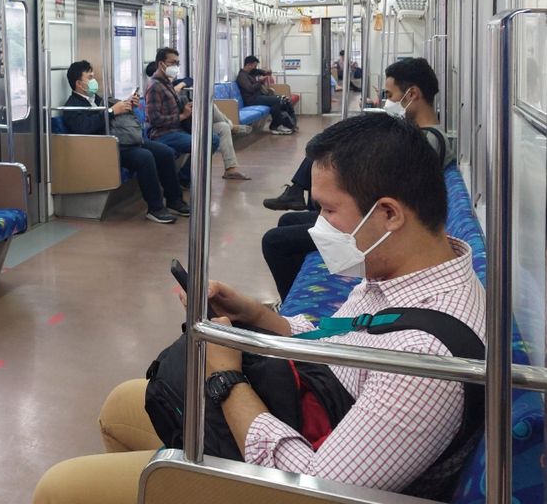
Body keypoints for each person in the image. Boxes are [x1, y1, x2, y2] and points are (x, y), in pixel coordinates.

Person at [33, 114, 484, 504]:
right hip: (318, 409)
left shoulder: (425, 361)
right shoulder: (399, 275)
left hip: (296, 482)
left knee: (60, 488)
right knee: (119, 406)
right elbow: (339, 338)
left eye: (329, 209)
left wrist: (225, 379)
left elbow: (310, 487)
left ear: (389, 213)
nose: (320, 225)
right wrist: (255, 314)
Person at [261, 58, 453, 299]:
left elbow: (376, 185)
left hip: (376, 213)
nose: (388, 101)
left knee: (274, 241)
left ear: (412, 94)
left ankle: (297, 192)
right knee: (289, 220)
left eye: (391, 95)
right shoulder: (418, 136)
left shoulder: (426, 142)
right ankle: (296, 193)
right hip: (374, 206)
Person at [62, 60, 188, 221]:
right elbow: (84, 128)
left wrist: (127, 104)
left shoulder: (97, 98)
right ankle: (155, 208)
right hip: (106, 147)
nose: (94, 80)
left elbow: (113, 114)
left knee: (165, 152)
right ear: (79, 83)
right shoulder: (72, 106)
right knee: (145, 157)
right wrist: (111, 111)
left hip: (122, 140)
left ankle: (174, 199)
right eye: (90, 77)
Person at [144, 48, 250, 181]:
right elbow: (154, 120)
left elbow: (189, 81)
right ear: (161, 64)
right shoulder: (155, 86)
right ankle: (185, 176)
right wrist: (183, 115)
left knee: (222, 127)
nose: (176, 67)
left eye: (178, 63)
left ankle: (230, 169)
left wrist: (186, 110)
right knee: (208, 141)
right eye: (173, 63)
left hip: (179, 128)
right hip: (164, 133)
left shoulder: (168, 83)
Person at [237, 55, 297, 135]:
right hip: (252, 100)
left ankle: (290, 124)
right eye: (254, 66)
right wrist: (260, 82)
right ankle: (276, 126)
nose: (255, 68)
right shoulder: (242, 76)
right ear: (248, 65)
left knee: (283, 100)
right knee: (278, 100)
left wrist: (266, 72)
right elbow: (250, 89)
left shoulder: (251, 72)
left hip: (259, 97)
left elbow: (262, 72)